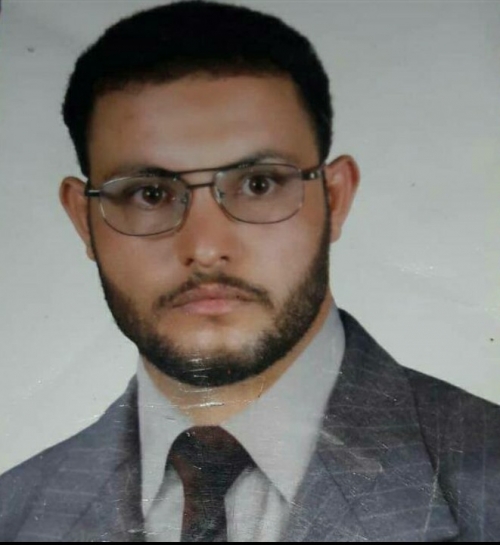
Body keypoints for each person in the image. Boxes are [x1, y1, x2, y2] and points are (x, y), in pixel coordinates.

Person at [0, 1, 499, 542]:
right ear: (83, 220)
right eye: (149, 194)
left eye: (258, 184)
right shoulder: (13, 513)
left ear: (334, 198)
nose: (206, 248)